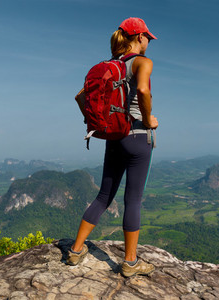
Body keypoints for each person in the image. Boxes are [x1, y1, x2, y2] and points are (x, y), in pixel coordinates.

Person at [67, 17, 159, 278]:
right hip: (138, 137)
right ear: (139, 37)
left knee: (103, 196)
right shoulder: (143, 62)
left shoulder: (108, 67)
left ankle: (75, 250)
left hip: (114, 137)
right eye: (147, 38)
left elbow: (80, 97)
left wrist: (99, 123)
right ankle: (130, 263)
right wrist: (148, 118)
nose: (149, 42)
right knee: (133, 200)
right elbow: (142, 90)